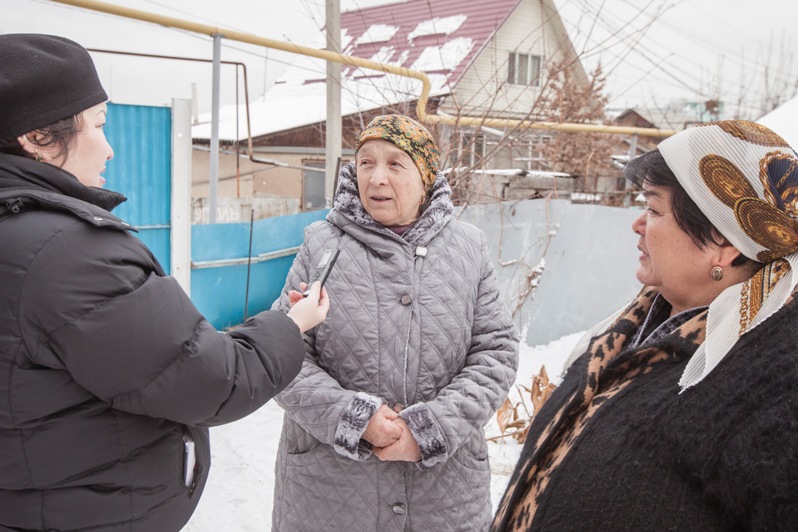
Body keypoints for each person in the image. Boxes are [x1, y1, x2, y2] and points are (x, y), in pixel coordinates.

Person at [0, 34, 329, 531]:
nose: (109, 148)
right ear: (37, 137)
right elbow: (211, 381)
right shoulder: (64, 252)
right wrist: (290, 324)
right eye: (99, 124)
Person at [493, 120, 798, 531]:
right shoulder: (635, 325)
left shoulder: (774, 384)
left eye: (654, 210)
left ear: (722, 242)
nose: (637, 224)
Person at [270, 114, 519, 530]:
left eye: (395, 164)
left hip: (443, 497)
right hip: (331, 496)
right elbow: (281, 356)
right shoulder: (322, 244)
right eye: (366, 163)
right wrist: (353, 418)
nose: (377, 178)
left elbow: (496, 353)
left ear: (425, 178)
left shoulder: (468, 248)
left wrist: (430, 429)